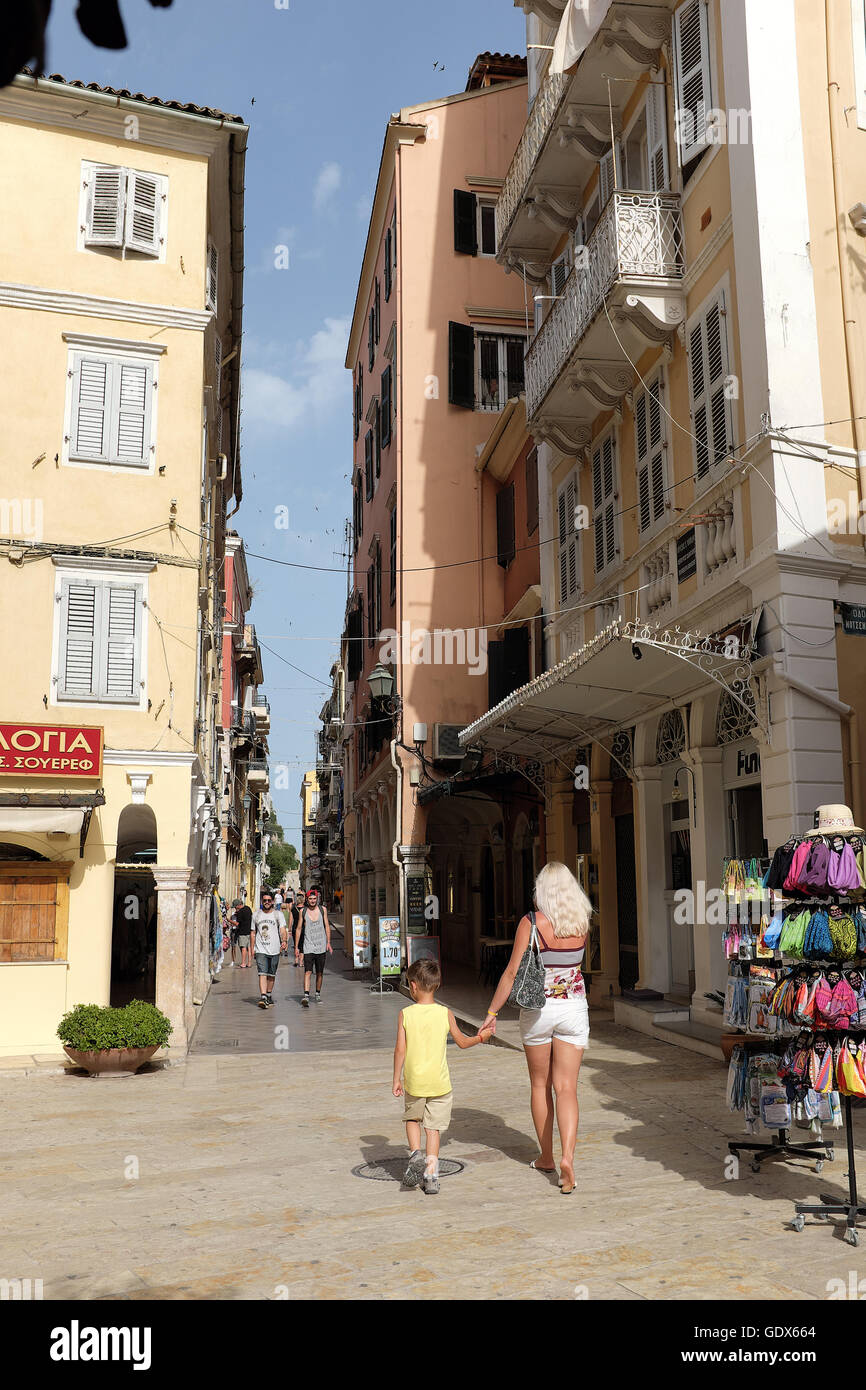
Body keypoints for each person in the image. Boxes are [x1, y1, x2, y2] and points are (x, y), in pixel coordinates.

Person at [481, 861, 591, 1195]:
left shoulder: (531, 924)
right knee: (567, 1089)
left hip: (540, 1011)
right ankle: (568, 1157)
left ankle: (546, 1156)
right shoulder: (582, 921)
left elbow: (512, 973)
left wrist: (491, 1011)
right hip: (573, 1009)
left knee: (540, 1085)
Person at [392, 958, 492, 1195]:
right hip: (440, 1083)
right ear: (436, 985)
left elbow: (400, 1049)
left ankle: (416, 1154)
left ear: (413, 985)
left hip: (415, 1081)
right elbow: (462, 1042)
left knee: (412, 1120)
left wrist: (396, 1078)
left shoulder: (405, 1014)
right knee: (433, 1129)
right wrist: (481, 1037)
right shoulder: (445, 1013)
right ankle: (431, 1176)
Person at [294, 886, 332, 1006]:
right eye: (310, 899)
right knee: (308, 971)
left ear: (317, 899)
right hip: (308, 946)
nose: (312, 901)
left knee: (320, 972)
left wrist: (328, 942)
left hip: (321, 946)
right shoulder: (303, 911)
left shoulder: (323, 910)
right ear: (307, 899)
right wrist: (296, 947)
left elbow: (326, 926)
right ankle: (306, 995)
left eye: (314, 898)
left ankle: (317, 994)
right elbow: (299, 929)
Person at [251, 890, 288, 1008]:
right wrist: (252, 948)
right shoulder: (256, 915)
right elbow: (253, 933)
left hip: (275, 949)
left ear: (272, 902)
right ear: (262, 901)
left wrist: (284, 941)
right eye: (264, 900)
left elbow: (282, 929)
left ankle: (268, 994)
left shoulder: (278, 914)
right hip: (260, 948)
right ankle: (263, 996)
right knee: (262, 973)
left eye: (269, 900)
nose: (267, 902)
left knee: (271, 974)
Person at [230, 897, 252, 969]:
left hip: (242, 932)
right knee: (248, 947)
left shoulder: (240, 912)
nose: (235, 909)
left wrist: (229, 920)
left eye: (235, 907)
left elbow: (237, 924)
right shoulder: (248, 908)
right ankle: (249, 962)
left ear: (238, 905)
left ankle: (243, 963)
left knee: (243, 948)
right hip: (249, 931)